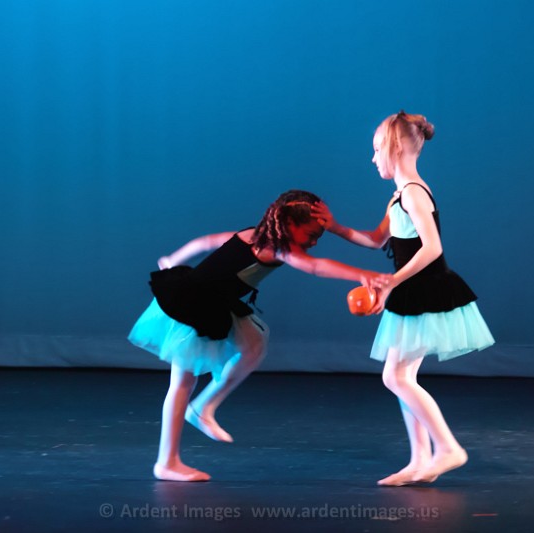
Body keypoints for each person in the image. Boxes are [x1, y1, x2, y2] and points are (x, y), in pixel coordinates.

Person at [128, 190, 390, 482]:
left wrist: (173, 258)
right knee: (183, 382)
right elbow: (316, 267)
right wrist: (361, 274)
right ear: (289, 224)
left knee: (253, 343)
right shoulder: (277, 248)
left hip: (214, 302)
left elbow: (206, 242)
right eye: (311, 235)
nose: (314, 242)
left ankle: (202, 408)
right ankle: (168, 460)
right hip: (193, 305)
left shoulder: (252, 234)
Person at [313, 111, 495, 486]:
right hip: (412, 290)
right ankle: (419, 460)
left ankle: (448, 449)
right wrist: (333, 227)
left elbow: (432, 248)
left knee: (395, 376)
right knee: (402, 376)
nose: (372, 158)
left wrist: (391, 282)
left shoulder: (412, 192)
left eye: (376, 149)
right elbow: (376, 240)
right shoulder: (399, 195)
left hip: (425, 289)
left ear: (394, 147)